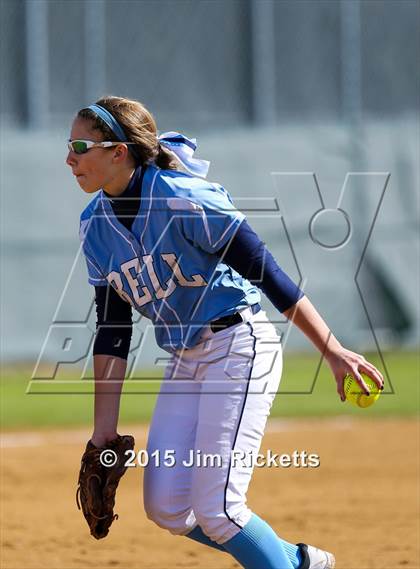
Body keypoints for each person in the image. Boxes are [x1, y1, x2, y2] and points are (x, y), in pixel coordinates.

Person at [67, 95, 383, 569]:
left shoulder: (183, 198)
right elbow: (113, 330)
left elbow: (268, 273)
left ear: (119, 152)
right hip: (185, 359)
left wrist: (332, 350)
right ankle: (297, 563)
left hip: (238, 345)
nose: (69, 158)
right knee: (167, 508)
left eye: (80, 145)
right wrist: (102, 435)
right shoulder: (95, 227)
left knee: (219, 511)